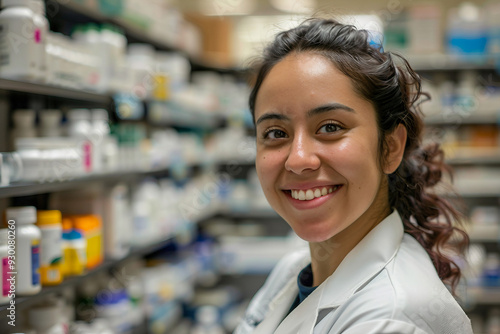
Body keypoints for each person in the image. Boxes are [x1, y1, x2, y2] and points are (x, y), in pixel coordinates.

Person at [234, 18, 473, 334]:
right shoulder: (293, 271)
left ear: (390, 147)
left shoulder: (390, 318)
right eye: (276, 132)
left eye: (331, 127)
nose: (298, 159)